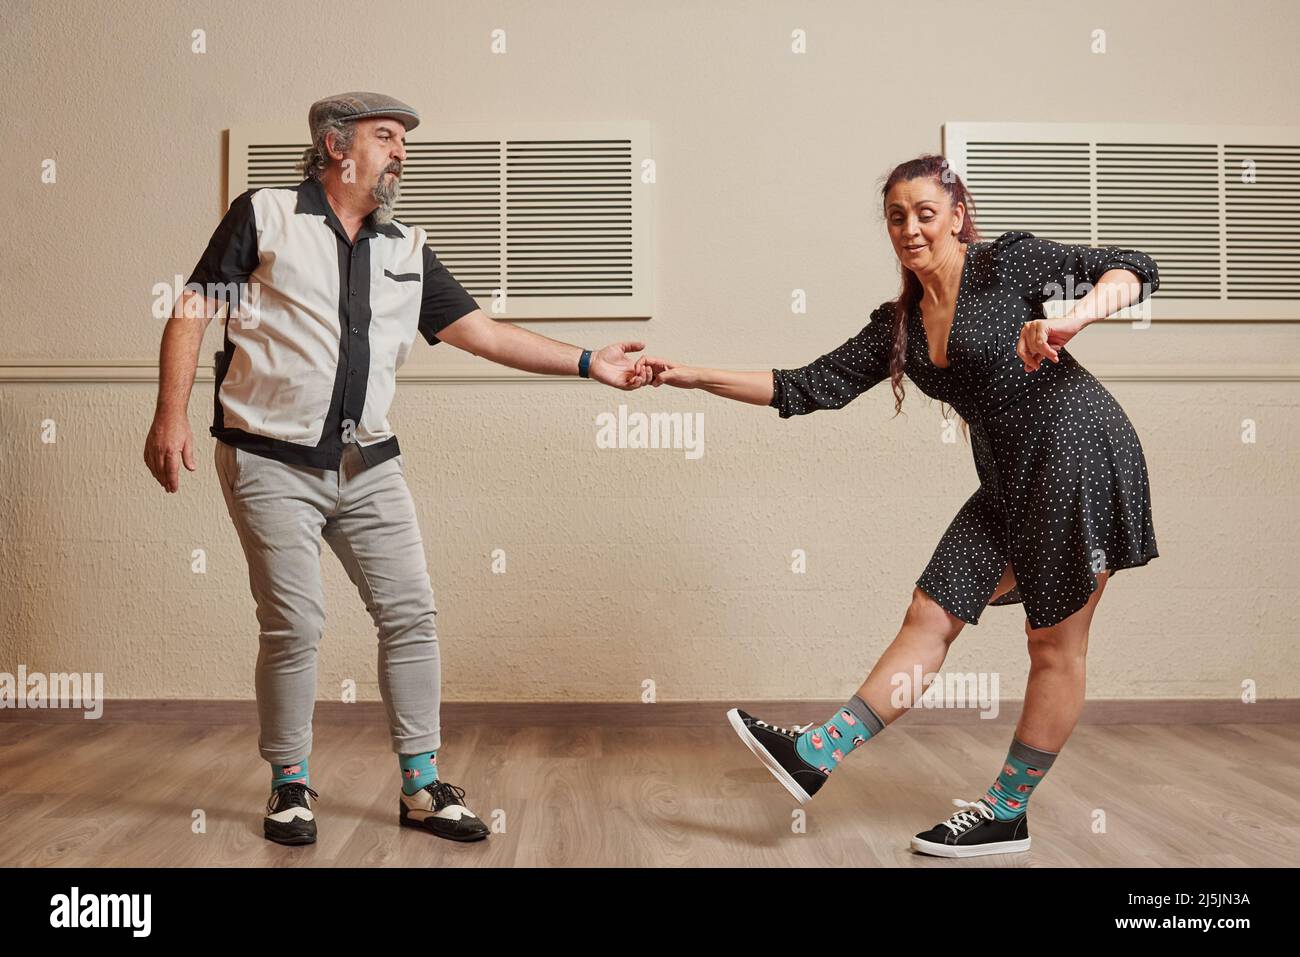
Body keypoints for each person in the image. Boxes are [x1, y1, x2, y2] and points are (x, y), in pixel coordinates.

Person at [143, 91, 652, 846]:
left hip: (368, 461)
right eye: (386, 137)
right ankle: (290, 785)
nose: (402, 152)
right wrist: (169, 414)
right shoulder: (265, 214)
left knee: (411, 610)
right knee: (295, 622)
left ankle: (420, 785)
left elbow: (482, 332)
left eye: (404, 140)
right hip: (268, 460)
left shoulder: (406, 247)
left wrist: (588, 362)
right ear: (334, 146)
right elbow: (192, 308)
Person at [638, 153, 1160, 858]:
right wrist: (691, 375)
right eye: (895, 215)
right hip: (1007, 478)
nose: (909, 227)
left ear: (956, 215)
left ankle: (1006, 811)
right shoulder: (902, 325)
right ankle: (816, 753)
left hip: (1078, 454)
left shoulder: (1006, 266)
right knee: (931, 608)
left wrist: (1072, 318)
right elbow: (804, 384)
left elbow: (1132, 266)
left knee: (1053, 645)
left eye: (923, 212)